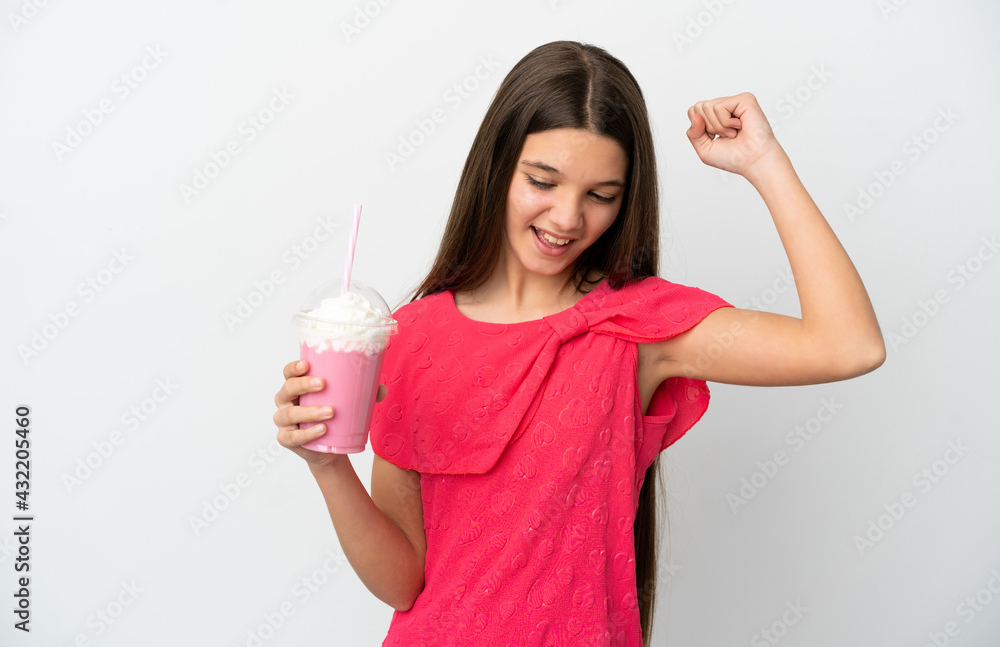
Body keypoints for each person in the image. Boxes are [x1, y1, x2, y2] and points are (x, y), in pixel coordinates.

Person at [272, 40, 885, 646]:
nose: (567, 218)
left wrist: (764, 162)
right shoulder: (411, 336)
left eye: (600, 196)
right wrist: (329, 467)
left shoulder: (637, 325)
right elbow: (404, 585)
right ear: (497, 167)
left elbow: (848, 345)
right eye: (543, 181)